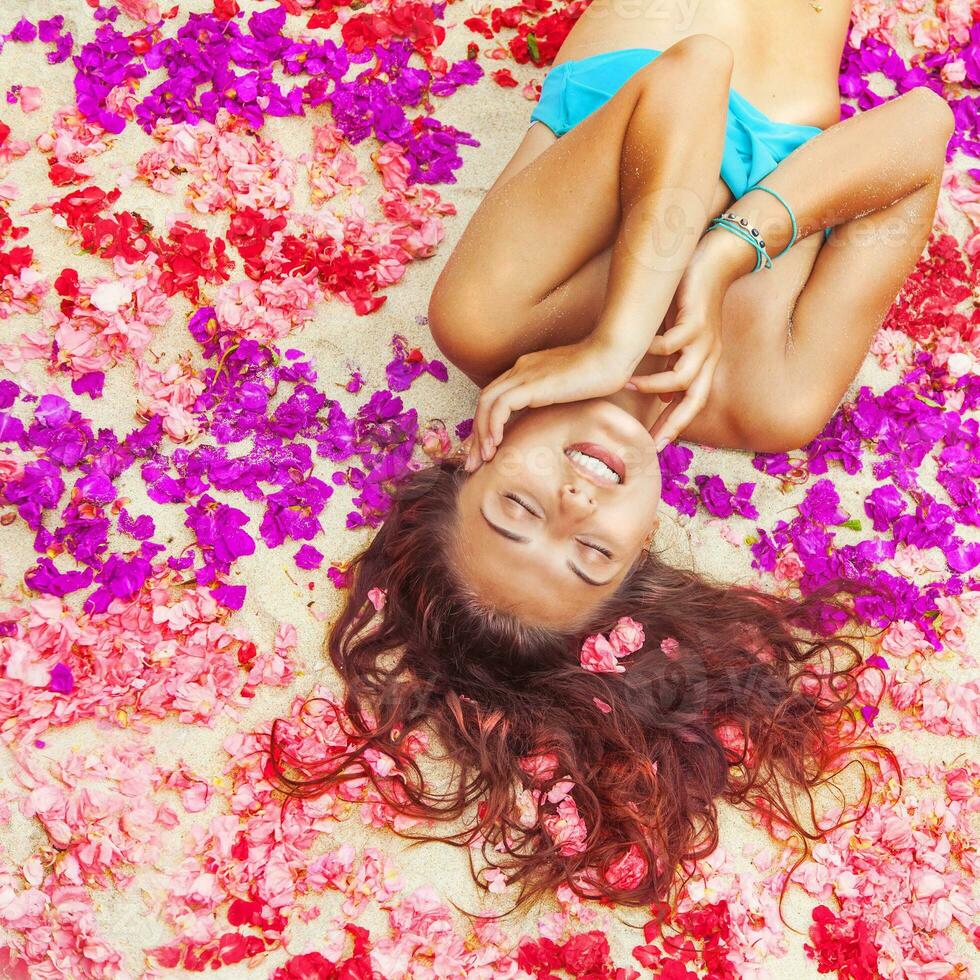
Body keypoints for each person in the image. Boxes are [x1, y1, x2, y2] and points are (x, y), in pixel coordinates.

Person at [269, 1, 943, 908]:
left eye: (517, 511)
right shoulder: (766, 399)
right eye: (594, 551)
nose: (577, 506)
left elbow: (695, 67)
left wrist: (618, 339)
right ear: (642, 551)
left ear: (474, 455)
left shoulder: (488, 320)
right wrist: (723, 259)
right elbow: (922, 127)